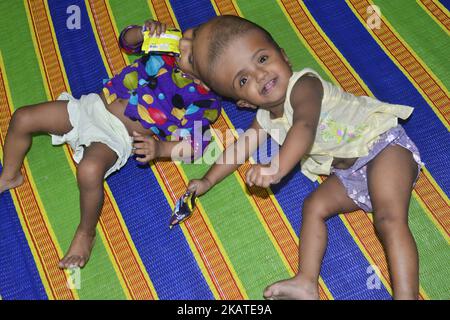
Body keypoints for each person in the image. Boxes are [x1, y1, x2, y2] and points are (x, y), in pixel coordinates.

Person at [186, 15, 422, 300]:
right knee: (313, 206)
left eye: (262, 59)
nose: (260, 75)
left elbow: (304, 127)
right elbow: (241, 148)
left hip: (383, 146)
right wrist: (207, 181)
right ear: (244, 103)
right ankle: (306, 282)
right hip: (351, 172)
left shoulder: (305, 86)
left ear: (284, 57)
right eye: (244, 79)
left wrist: (277, 167)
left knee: (388, 219)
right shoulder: (264, 117)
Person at [0, 20, 221, 269]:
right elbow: (126, 43)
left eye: (191, 55)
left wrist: (161, 149)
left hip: (116, 135)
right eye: (193, 34)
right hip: (91, 106)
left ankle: (86, 233)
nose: (183, 43)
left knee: (89, 170)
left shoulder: (204, 101)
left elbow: (196, 144)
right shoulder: (167, 47)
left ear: (209, 81)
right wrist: (142, 31)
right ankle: (9, 177)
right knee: (23, 117)